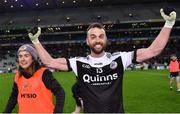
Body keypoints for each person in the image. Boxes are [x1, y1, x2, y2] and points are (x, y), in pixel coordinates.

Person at [28, 9, 176, 113]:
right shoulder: (78, 62)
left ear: (105, 39)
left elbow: (153, 51)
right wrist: (35, 41)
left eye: (101, 36)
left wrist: (168, 24)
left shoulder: (120, 58)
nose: (97, 40)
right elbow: (49, 62)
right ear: (87, 41)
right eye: (93, 36)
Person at [3, 44, 65, 113]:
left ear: (33, 58)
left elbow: (60, 92)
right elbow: (13, 97)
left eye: (26, 56)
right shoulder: (18, 76)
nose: (22, 59)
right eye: (20, 56)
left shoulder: (44, 73)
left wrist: (58, 112)